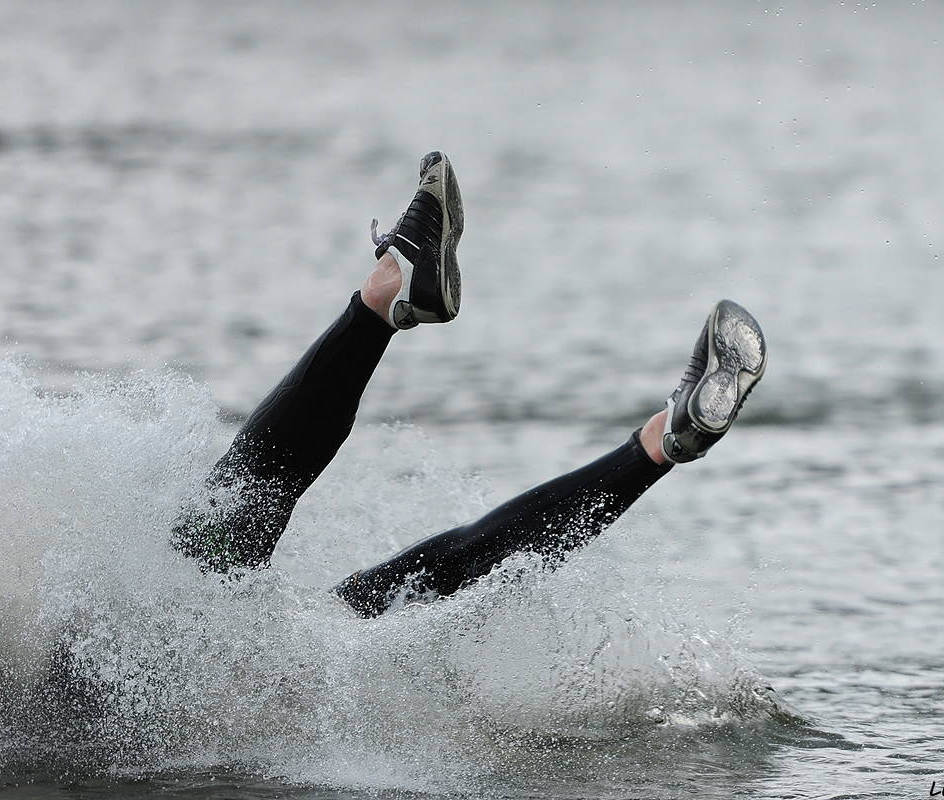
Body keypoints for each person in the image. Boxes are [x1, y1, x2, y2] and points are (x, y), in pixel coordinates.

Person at [172, 152, 767, 618]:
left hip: (229, 713)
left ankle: (662, 445)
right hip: (162, 684)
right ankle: (391, 289)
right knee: (211, 551)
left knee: (392, 595)